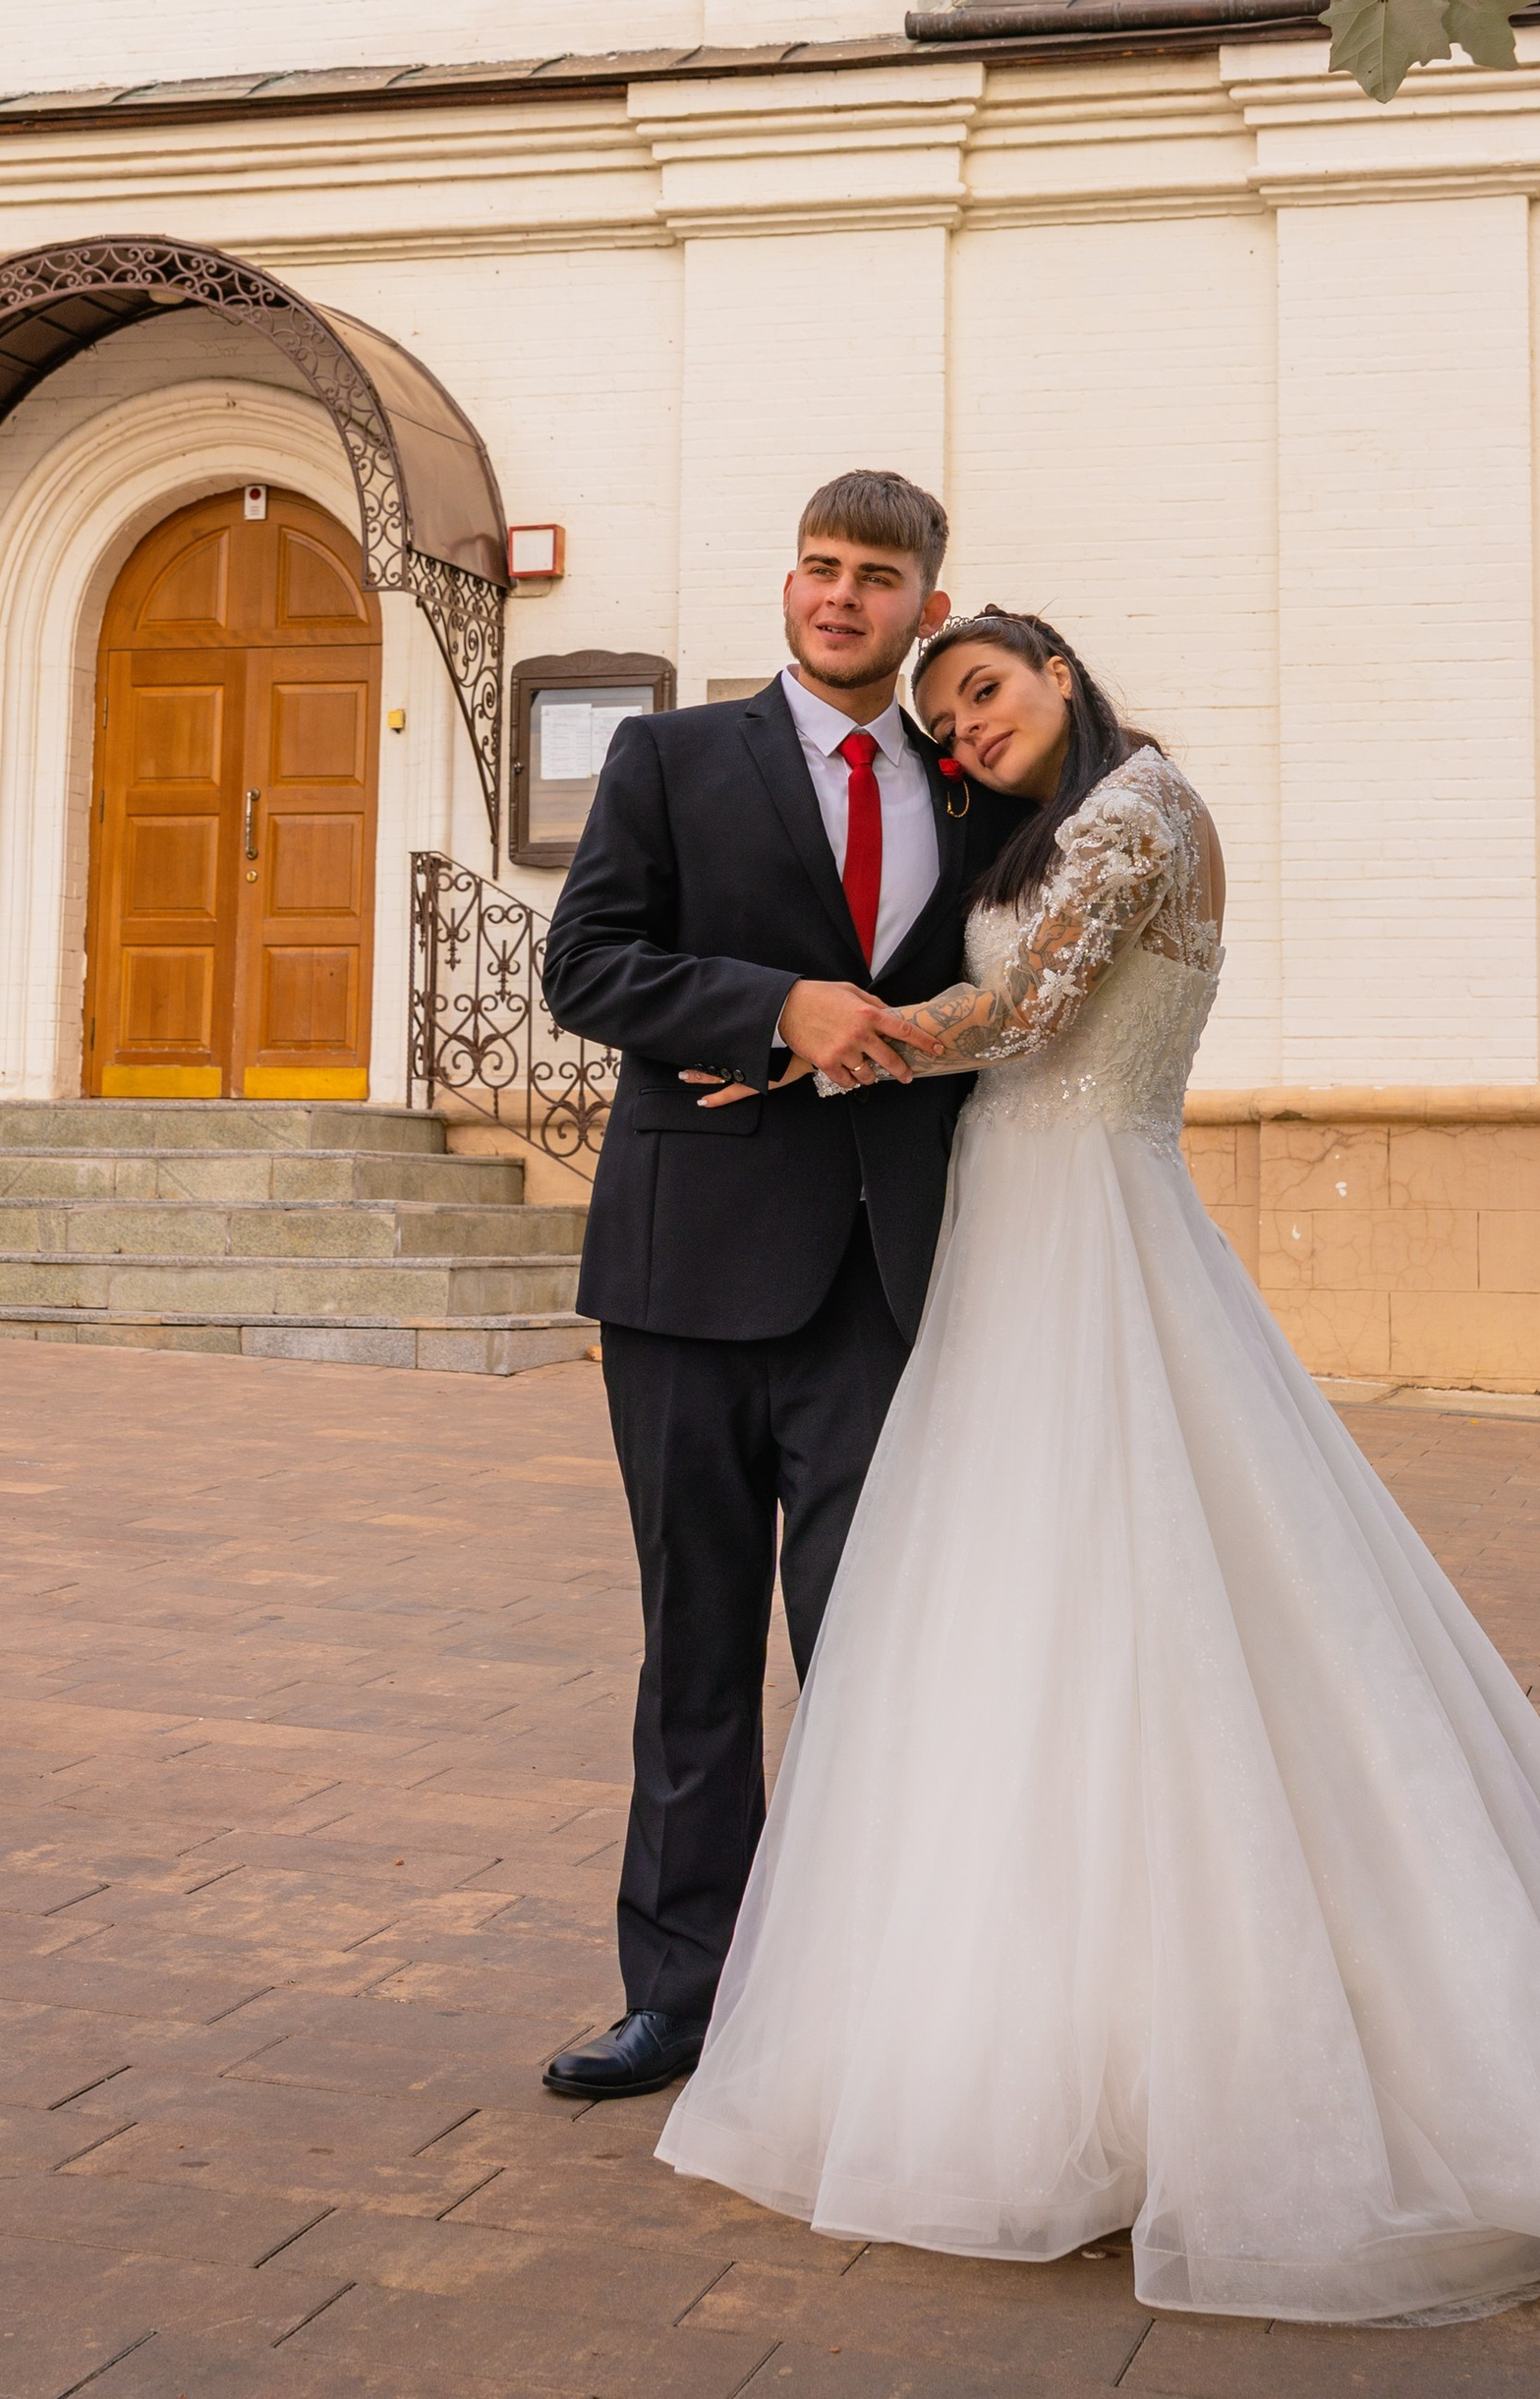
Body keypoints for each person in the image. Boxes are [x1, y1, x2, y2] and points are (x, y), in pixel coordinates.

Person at [656, 610, 1540, 2326]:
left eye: (985, 693)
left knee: (1163, 1613)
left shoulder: (1144, 810)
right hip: (1013, 1252)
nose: (963, 733)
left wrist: (818, 1040)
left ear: (1061, 674)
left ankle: (1227, 2067)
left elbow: (1028, 1008)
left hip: (1097, 1239)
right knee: (1028, 1634)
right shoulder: (1056, 822)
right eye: (945, 720)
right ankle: (1048, 2046)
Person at [536, 472, 1017, 2102]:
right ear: (789, 583)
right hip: (680, 1278)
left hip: (881, 1279)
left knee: (867, 1645)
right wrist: (775, 1010)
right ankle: (678, 1990)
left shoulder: (976, 794)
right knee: (694, 1648)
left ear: (926, 607)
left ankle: (864, 1988)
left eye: (877, 576)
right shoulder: (670, 758)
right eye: (819, 567)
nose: (840, 596)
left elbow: (999, 1005)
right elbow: (586, 965)